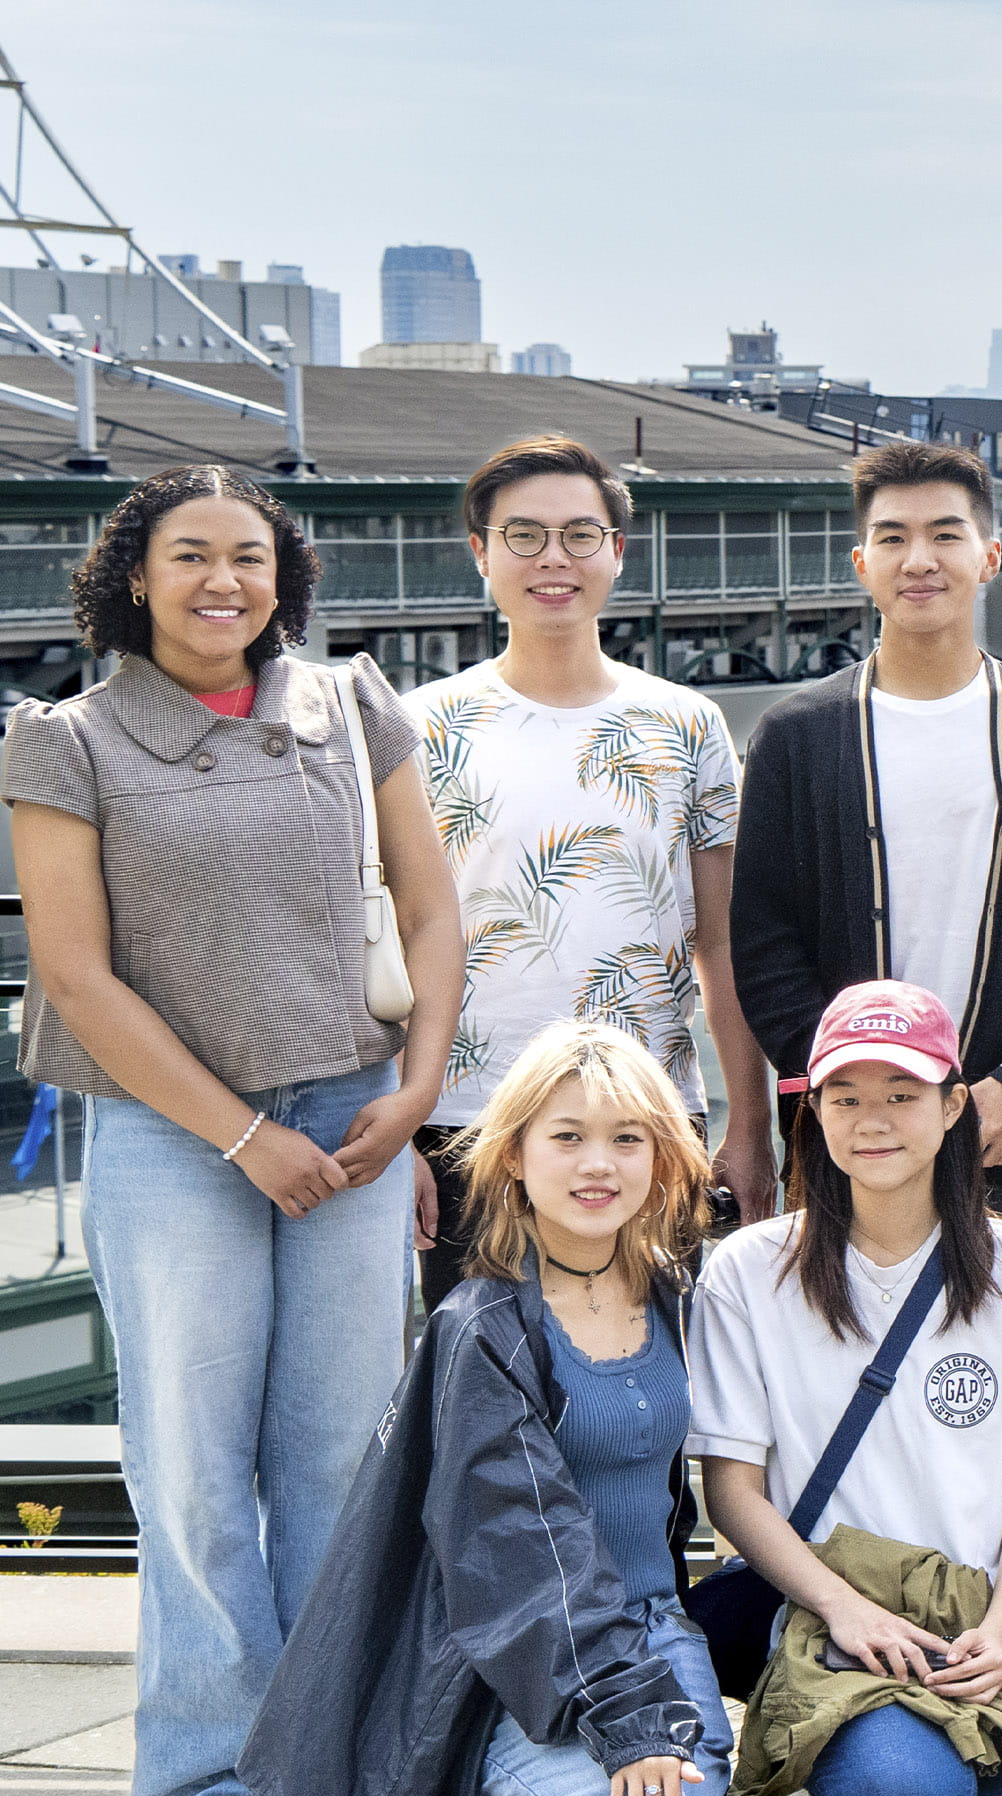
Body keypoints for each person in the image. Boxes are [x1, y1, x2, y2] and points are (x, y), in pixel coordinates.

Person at [8, 464, 461, 1796]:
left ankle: (325, 1777)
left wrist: (425, 1083)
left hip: (357, 1118)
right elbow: (76, 973)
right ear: (134, 574)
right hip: (171, 1133)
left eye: (250, 557)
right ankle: (200, 1792)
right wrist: (236, 1133)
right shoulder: (66, 739)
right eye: (191, 555)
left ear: (286, 576)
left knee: (335, 1459)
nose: (225, 582)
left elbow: (436, 903)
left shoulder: (351, 704)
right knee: (193, 1475)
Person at [727, 439, 1002, 1616]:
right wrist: (855, 1101)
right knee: (836, 1393)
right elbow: (766, 946)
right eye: (894, 538)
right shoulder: (802, 736)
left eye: (945, 534)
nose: (920, 559)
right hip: (850, 1139)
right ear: (861, 564)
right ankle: (846, 1643)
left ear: (989, 555)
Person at [247, 1023, 740, 1796]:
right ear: (513, 1154)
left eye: (628, 1137)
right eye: (567, 1136)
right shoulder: (485, 1328)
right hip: (514, 1650)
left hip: (651, 1627)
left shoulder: (682, 1296)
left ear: (663, 1157)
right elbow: (529, 1548)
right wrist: (637, 1717)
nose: (599, 1163)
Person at [690, 981, 1002, 1796]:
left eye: (901, 1092)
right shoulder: (747, 1273)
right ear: (811, 1108)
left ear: (954, 1103)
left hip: (1000, 1625)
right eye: (845, 1096)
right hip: (845, 1617)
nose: (872, 1119)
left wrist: (1000, 1630)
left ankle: (959, 1776)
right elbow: (732, 1492)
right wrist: (843, 1607)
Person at [408, 437, 763, 1302]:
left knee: (653, 1392)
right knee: (485, 1393)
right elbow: (387, 944)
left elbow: (722, 944)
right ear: (480, 553)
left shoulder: (686, 724)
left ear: (617, 550)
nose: (553, 558)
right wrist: (398, 1139)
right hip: (468, 1122)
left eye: (579, 533)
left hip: (647, 1120)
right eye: (522, 535)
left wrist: (749, 1125)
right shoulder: (419, 727)